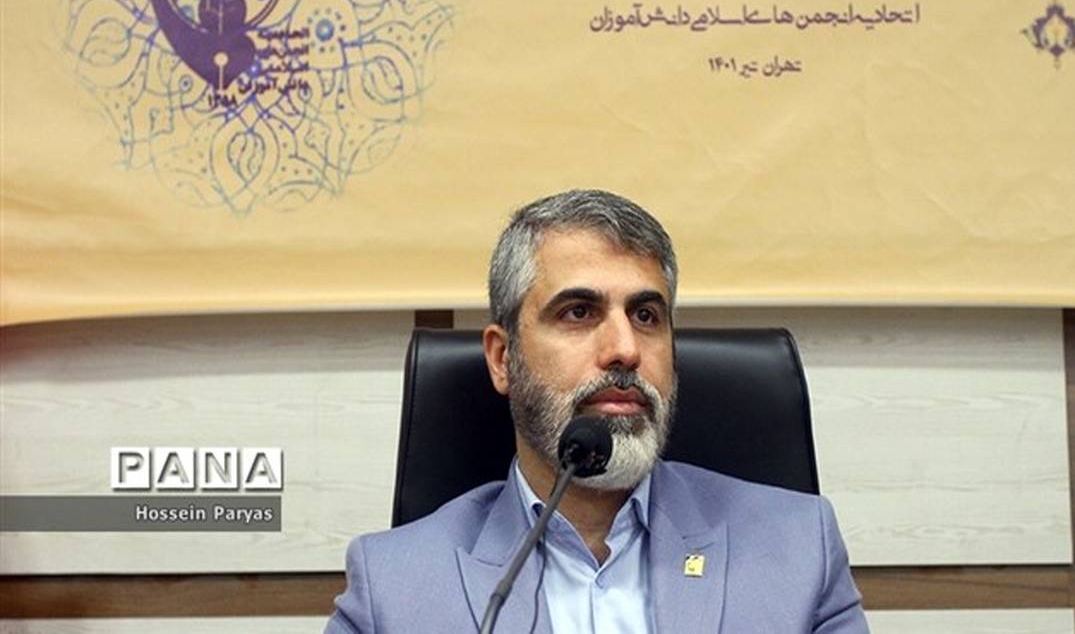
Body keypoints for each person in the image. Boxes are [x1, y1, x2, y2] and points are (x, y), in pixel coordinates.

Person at [327, 189, 868, 633]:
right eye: (579, 312)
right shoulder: (393, 588)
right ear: (502, 358)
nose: (625, 350)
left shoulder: (799, 550)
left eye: (646, 315)